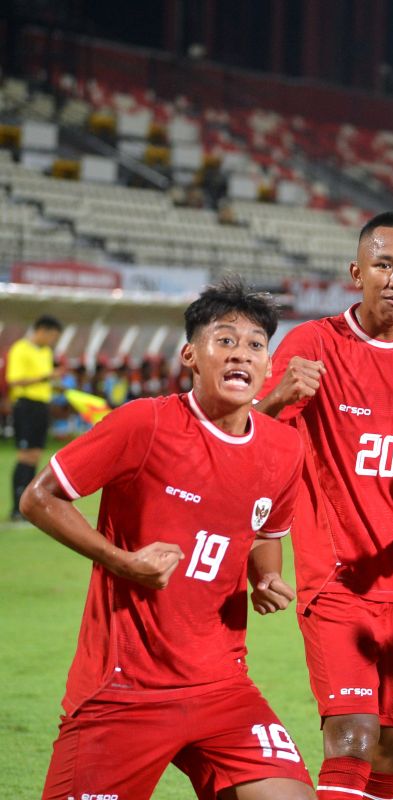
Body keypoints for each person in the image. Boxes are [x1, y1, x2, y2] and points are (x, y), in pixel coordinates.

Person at [20, 279, 313, 799]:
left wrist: (267, 575)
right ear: (190, 355)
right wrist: (122, 562)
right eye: (224, 340)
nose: (240, 353)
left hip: (223, 687)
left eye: (254, 344)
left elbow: (268, 531)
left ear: (269, 364)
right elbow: (40, 498)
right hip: (124, 689)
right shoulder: (144, 424)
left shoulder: (284, 448)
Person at [256, 211, 393, 800]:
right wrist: (277, 401)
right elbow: (249, 444)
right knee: (352, 736)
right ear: (356, 271)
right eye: (384, 264)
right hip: (337, 578)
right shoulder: (311, 345)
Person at [6, 314, 62, 520]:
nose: (53, 341)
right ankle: (16, 507)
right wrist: (47, 377)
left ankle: (26, 506)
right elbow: (15, 380)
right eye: (52, 335)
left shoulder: (46, 351)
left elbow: (43, 381)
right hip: (26, 405)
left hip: (41, 406)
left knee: (36, 455)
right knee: (25, 456)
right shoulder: (20, 349)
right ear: (41, 330)